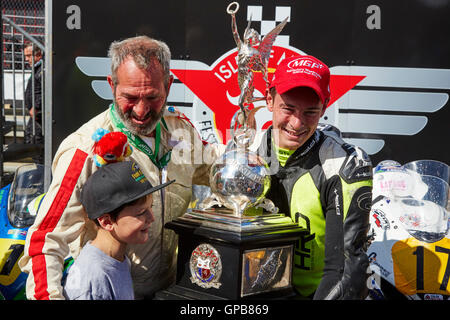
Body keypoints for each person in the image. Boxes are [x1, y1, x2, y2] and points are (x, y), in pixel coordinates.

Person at [19, 35, 224, 300]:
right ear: (111, 85)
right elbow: (45, 241)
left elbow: (217, 175)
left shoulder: (180, 132)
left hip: (172, 292)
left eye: (152, 96)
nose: (141, 110)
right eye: (130, 97)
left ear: (169, 86)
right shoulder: (83, 148)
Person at [252, 55, 373, 299]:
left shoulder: (344, 163)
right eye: (288, 109)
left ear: (324, 107)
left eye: (310, 112)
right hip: (255, 292)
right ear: (269, 100)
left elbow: (345, 271)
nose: (296, 124)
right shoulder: (246, 152)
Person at [63, 161, 174, 300]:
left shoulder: (118, 259)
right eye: (141, 212)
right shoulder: (95, 279)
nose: (152, 218)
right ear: (107, 222)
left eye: (151, 207)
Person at [23, 43, 44, 162]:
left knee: (37, 144)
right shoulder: (38, 68)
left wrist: (36, 107)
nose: (26, 59)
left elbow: (44, 90)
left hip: (38, 114)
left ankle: (42, 176)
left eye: (28, 55)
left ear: (38, 55)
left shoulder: (42, 69)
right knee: (32, 140)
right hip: (36, 114)